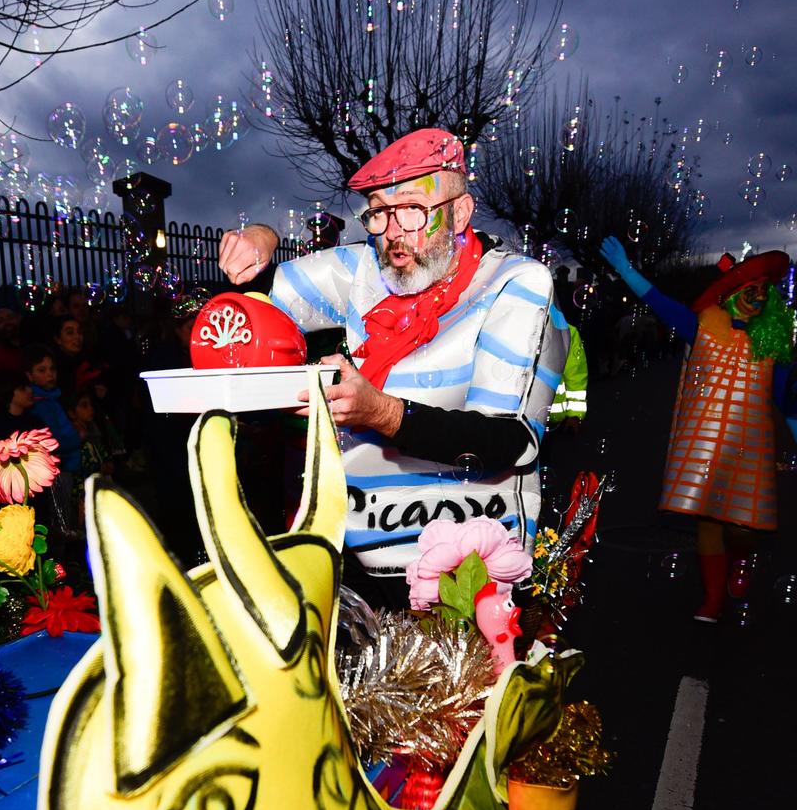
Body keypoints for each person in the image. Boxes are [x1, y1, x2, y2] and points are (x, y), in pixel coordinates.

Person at [222, 129, 565, 600]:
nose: (393, 232)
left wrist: (380, 412)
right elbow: (257, 302)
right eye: (380, 212)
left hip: (467, 576)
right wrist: (261, 239)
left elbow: (509, 441)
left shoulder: (513, 282)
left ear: (460, 212)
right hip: (364, 563)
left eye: (411, 209)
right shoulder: (365, 269)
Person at [598, 237, 797, 622]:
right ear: (732, 293)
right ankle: (714, 599)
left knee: (742, 529)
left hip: (749, 447)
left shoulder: (772, 344)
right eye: (749, 289)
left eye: (762, 291)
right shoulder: (703, 327)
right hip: (704, 446)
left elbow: (787, 397)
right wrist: (625, 270)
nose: (756, 296)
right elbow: (660, 303)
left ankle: (740, 559)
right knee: (708, 522)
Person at [0, 370, 40, 449]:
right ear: (6, 391)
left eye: (29, 386)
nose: (30, 390)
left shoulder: (34, 421)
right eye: (22, 388)